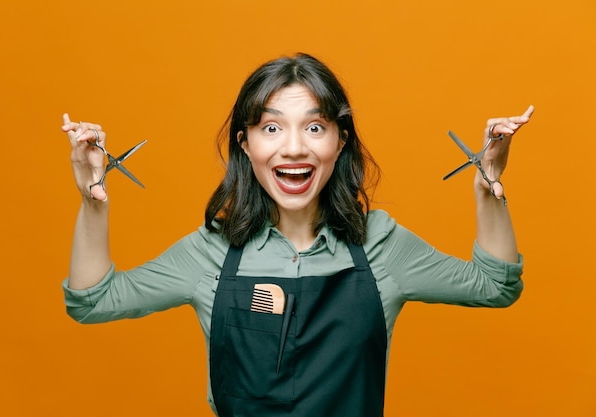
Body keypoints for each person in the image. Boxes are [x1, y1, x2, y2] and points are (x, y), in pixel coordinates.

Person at [61, 53, 534, 417]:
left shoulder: (381, 244)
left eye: (314, 126)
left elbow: (495, 286)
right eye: (271, 127)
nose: (293, 147)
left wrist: (488, 183)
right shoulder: (212, 251)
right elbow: (93, 301)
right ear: (245, 145)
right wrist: (91, 198)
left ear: (339, 140)